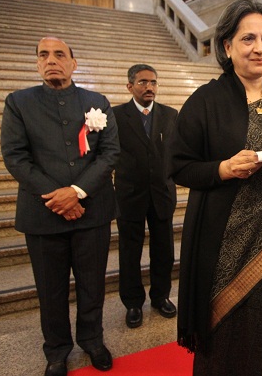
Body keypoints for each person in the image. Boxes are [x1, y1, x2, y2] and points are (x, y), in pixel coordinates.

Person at [168, 0, 262, 376]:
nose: (260, 48)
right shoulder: (206, 101)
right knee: (230, 334)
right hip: (225, 243)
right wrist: (223, 168)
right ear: (226, 47)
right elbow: (177, 166)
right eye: (248, 38)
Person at [0, 37, 119, 376]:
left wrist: (78, 191)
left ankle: (93, 340)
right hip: (42, 214)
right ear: (37, 63)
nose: (51, 60)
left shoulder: (97, 102)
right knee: (50, 289)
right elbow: (15, 157)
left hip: (92, 211)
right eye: (43, 54)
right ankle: (56, 351)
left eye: (59, 54)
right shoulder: (19, 103)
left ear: (73, 62)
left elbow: (109, 152)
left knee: (92, 283)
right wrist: (59, 196)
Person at [113, 64, 178, 329]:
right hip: (130, 195)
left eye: (153, 82)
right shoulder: (116, 115)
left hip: (162, 194)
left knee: (164, 250)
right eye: (142, 82)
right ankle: (132, 303)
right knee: (130, 251)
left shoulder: (170, 115)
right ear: (130, 86)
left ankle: (160, 296)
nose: (149, 87)